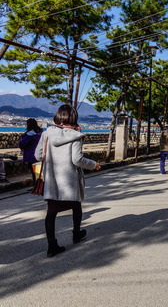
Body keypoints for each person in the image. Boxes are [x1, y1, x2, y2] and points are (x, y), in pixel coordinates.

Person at [34, 104, 101, 257]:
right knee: (76, 205)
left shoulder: (47, 134)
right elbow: (77, 160)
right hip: (69, 181)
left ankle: (52, 245)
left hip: (52, 180)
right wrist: (94, 165)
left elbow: (38, 156)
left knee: (51, 213)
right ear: (73, 118)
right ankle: (76, 234)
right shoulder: (76, 135)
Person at [19, 118, 43, 184]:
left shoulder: (29, 135)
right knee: (40, 171)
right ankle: (40, 185)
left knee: (33, 171)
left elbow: (22, 144)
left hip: (30, 156)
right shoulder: (40, 133)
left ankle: (35, 186)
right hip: (40, 155)